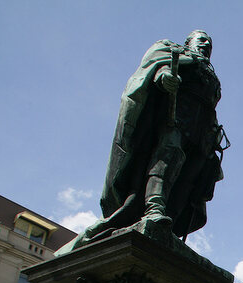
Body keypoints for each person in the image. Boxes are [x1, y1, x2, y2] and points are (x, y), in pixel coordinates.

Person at [70, 30, 227, 249]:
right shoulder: (174, 52)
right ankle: (154, 210)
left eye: (209, 44)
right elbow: (156, 70)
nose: (206, 45)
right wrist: (164, 78)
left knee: (188, 180)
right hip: (175, 119)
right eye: (201, 40)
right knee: (166, 161)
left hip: (202, 135)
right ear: (188, 42)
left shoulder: (212, 76)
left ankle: (168, 224)